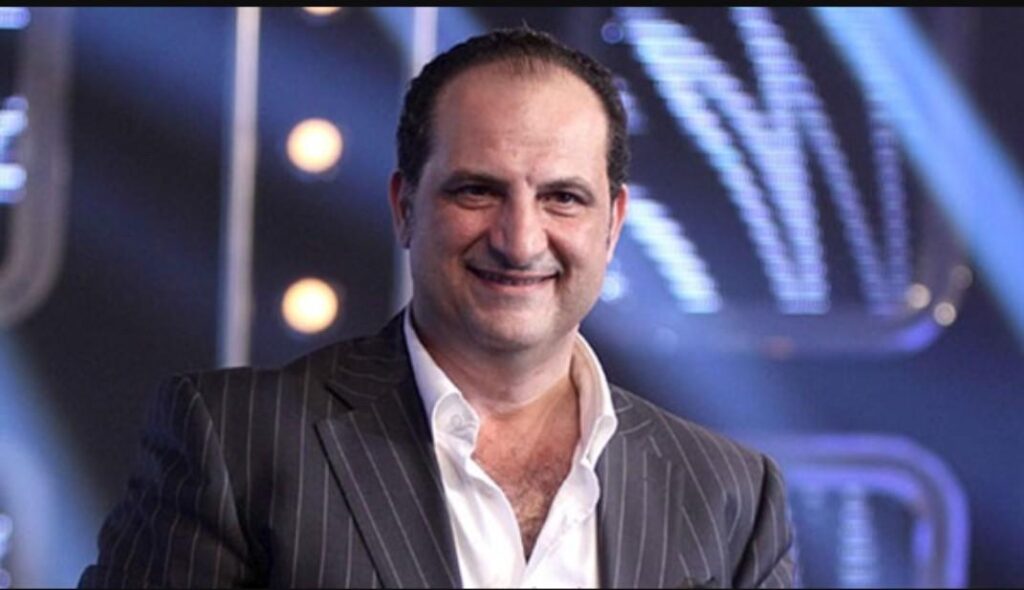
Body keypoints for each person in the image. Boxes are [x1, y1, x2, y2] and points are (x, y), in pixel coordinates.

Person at [79, 27, 794, 589]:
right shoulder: (236, 444)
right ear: (405, 207)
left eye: (562, 198)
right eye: (477, 191)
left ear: (612, 225)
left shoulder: (731, 495)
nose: (520, 240)